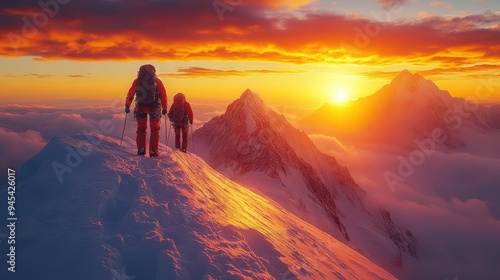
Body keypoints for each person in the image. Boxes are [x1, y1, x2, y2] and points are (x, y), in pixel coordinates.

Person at [125, 64, 167, 156]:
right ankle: (153, 150)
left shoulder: (137, 81)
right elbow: (163, 95)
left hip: (140, 108)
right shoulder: (157, 81)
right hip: (154, 108)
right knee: (155, 130)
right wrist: (164, 108)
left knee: (141, 129)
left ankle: (141, 149)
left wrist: (127, 106)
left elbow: (131, 94)